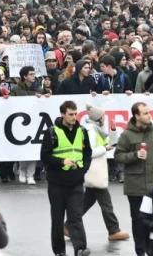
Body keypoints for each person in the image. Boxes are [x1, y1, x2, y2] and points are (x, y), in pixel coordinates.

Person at [115, 102, 153, 256]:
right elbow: (118, 156)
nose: (149, 115)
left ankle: (151, 249)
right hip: (135, 185)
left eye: (149, 112)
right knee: (138, 220)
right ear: (136, 116)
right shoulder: (127, 135)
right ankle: (140, 250)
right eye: (145, 113)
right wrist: (134, 155)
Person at [41, 100, 93, 256]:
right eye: (71, 114)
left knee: (75, 216)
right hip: (57, 182)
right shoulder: (52, 132)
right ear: (62, 114)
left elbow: (87, 153)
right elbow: (44, 156)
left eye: (75, 114)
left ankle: (80, 248)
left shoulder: (82, 131)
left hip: (76, 181)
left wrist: (83, 169)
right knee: (57, 219)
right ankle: (59, 251)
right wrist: (62, 161)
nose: (74, 117)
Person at [80, 104, 129, 241]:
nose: (104, 119)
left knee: (86, 202)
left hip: (96, 170)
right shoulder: (91, 130)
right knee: (106, 203)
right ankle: (113, 230)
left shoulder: (97, 129)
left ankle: (68, 225)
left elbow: (110, 144)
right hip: (95, 170)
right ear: (98, 118)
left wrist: (113, 130)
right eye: (102, 117)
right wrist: (104, 148)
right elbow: (90, 152)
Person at [8, 66, 48, 184]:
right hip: (21, 121)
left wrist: (45, 97)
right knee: (23, 146)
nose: (33, 76)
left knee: (34, 148)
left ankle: (31, 174)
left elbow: (45, 104)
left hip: (35, 121)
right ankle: (22, 169)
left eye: (34, 74)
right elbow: (11, 103)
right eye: (31, 74)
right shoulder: (16, 89)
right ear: (24, 76)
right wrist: (7, 99)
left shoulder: (39, 89)